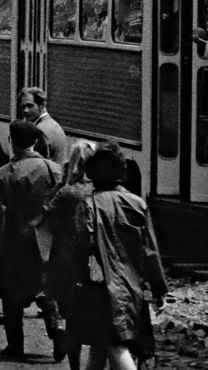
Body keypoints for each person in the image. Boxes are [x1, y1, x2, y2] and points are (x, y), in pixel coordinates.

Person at [69, 143, 167, 370]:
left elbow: (82, 247)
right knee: (101, 345)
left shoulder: (89, 205)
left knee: (115, 346)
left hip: (100, 288)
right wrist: (159, 289)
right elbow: (150, 252)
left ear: (92, 174)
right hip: (132, 286)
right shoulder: (138, 204)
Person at [0, 120, 65, 360]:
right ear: (36, 142)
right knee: (47, 289)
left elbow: (2, 213)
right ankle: (56, 330)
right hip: (48, 240)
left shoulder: (5, 173)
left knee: (11, 295)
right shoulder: (54, 169)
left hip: (16, 241)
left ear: (11, 142)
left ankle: (16, 346)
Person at [43, 140, 98, 370]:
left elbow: (46, 210)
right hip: (92, 256)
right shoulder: (97, 192)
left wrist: (62, 181)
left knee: (53, 294)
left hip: (65, 250)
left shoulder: (67, 191)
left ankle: (59, 332)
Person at [20, 86, 71, 166]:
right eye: (23, 107)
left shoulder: (39, 131)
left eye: (30, 106)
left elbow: (37, 167)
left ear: (42, 105)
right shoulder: (54, 124)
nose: (25, 110)